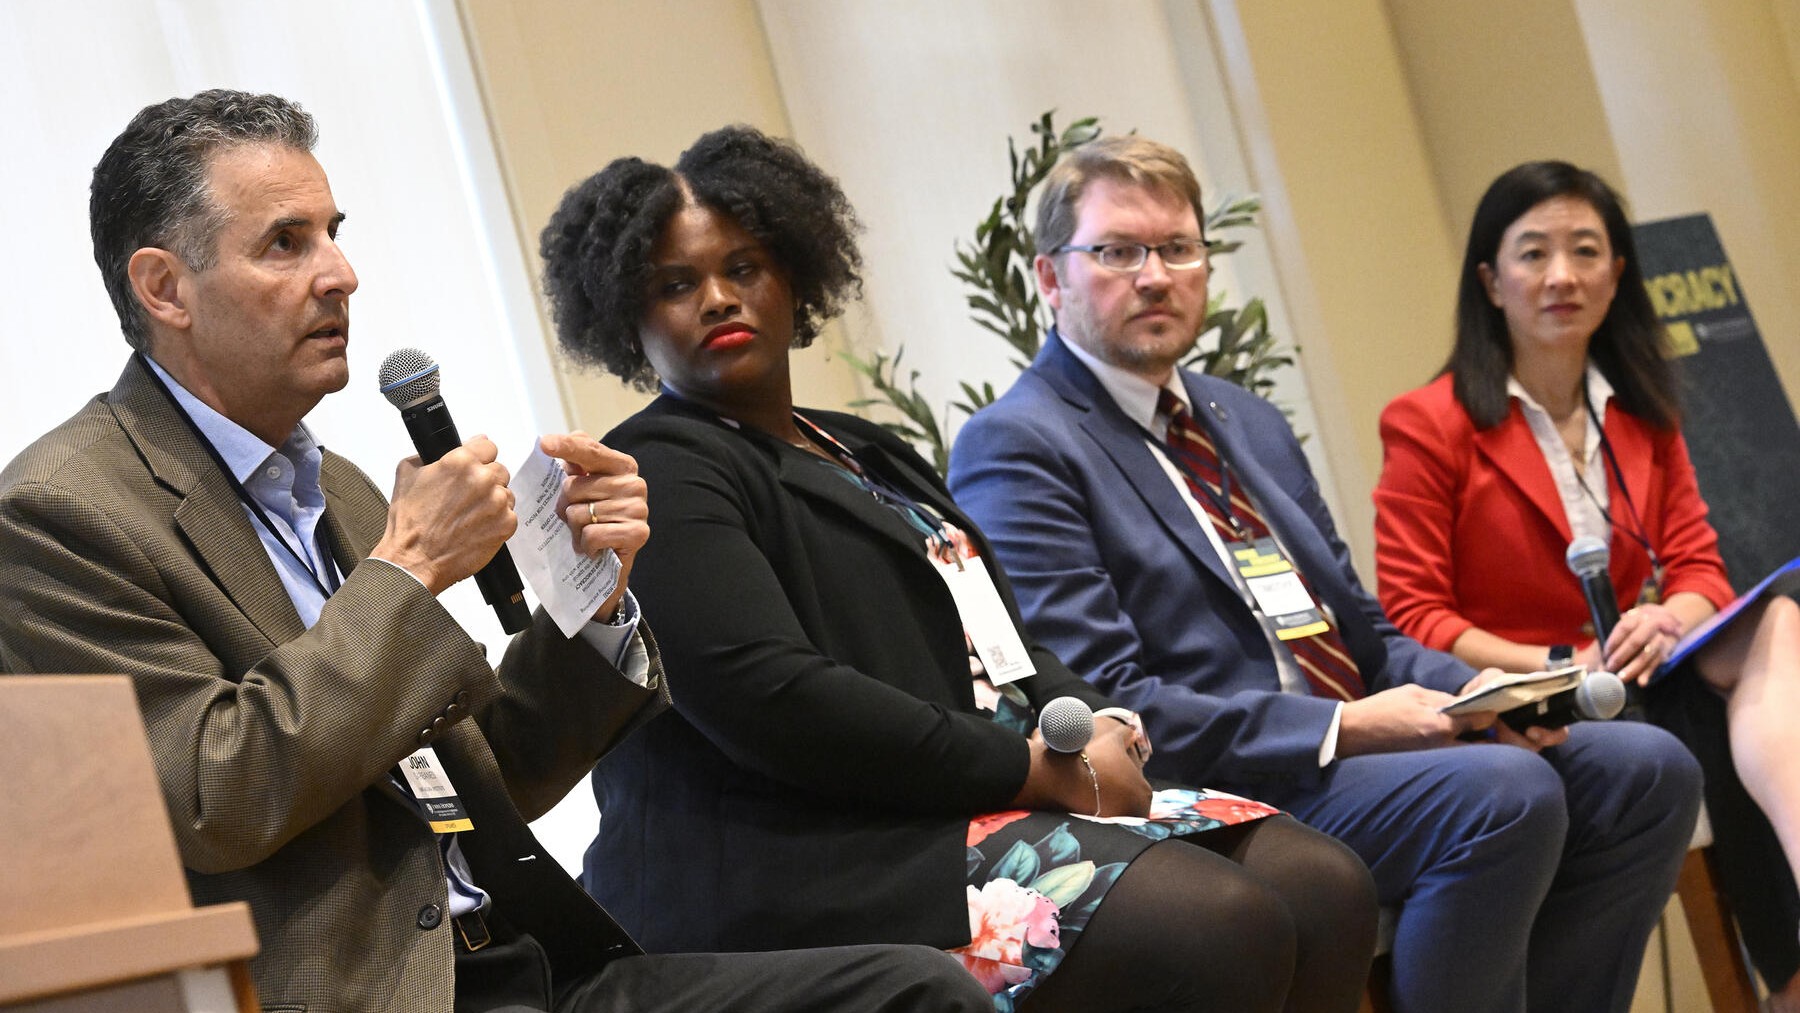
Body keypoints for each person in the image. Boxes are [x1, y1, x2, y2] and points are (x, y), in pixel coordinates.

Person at [0, 90, 999, 1013]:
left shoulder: (338, 487)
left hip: (527, 963)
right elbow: (217, 795)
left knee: (915, 992)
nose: (341, 273)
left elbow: (492, 768)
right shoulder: (60, 516)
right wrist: (406, 570)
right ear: (165, 286)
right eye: (285, 243)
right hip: (367, 993)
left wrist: (593, 606)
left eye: (335, 234)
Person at [539, 124, 1379, 1013]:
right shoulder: (658, 470)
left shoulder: (864, 447)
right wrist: (1030, 768)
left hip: (964, 797)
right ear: (628, 317)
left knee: (1322, 882)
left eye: (743, 267)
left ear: (794, 274)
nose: (717, 298)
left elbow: (1004, 643)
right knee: (1217, 920)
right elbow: (775, 700)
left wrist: (1095, 722)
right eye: (676, 285)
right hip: (808, 854)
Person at [946, 135, 1704, 1013]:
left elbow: (1362, 634)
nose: (1154, 276)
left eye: (1178, 248)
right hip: (1213, 780)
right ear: (1051, 277)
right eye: (1118, 251)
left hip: (1351, 749)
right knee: (1504, 791)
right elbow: (1106, 698)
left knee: (1648, 767)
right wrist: (1343, 726)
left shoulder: (1243, 419)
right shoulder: (1019, 443)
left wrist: (1481, 692)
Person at [1373, 158, 1800, 1007]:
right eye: (1534, 253)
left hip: (1640, 670)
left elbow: (1698, 564)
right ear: (1491, 281)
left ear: (1618, 273)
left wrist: (1671, 618)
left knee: (1777, 621)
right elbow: (1415, 613)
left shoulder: (1643, 407)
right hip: (1528, 691)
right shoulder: (1427, 421)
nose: (1562, 275)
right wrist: (1562, 661)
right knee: (1714, 714)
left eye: (1585, 251)